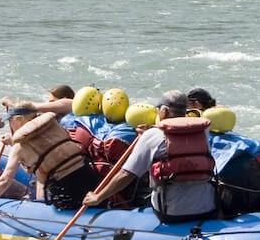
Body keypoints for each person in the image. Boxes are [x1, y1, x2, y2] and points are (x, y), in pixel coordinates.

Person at [83, 90, 216, 224]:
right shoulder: (203, 132)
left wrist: (98, 197)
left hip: (171, 213)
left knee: (142, 191)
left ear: (164, 111)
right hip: (207, 208)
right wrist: (150, 132)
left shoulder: (152, 136)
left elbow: (126, 174)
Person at [0, 105, 101, 216]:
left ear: (19, 119)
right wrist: (12, 141)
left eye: (10, 121)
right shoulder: (54, 126)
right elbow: (45, 147)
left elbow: (4, 181)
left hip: (68, 191)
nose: (10, 125)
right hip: (91, 179)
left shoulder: (19, 147)